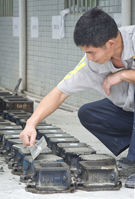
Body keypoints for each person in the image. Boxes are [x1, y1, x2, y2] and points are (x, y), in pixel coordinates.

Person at [19, 7, 135, 188]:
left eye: (91, 52)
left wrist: (123, 75)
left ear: (111, 44)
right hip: (130, 114)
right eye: (85, 52)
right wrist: (31, 123)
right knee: (88, 112)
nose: (88, 58)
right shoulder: (90, 65)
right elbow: (59, 93)